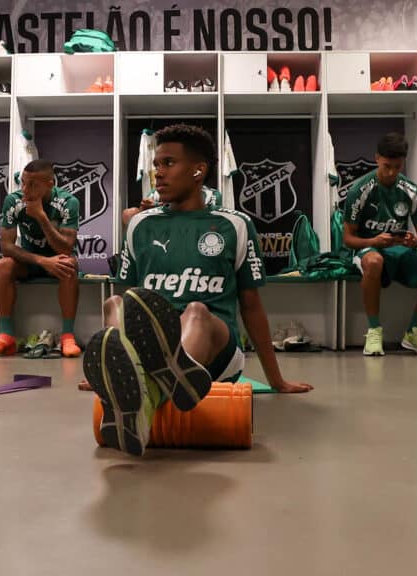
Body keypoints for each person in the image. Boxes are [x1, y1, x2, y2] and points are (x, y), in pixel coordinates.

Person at [82, 124, 312, 456]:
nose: (158, 173)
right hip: (151, 343)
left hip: (216, 349)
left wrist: (276, 379)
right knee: (115, 302)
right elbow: (131, 305)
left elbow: (251, 305)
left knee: (196, 312)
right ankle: (137, 383)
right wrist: (106, 368)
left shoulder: (234, 225)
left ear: (198, 171)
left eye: (169, 163)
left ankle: (141, 394)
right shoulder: (140, 225)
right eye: (156, 165)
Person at [342, 132, 417, 357]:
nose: (391, 172)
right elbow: (348, 239)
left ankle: (415, 331)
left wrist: (415, 241)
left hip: (401, 250)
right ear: (377, 158)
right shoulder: (359, 190)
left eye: (397, 167)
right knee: (374, 259)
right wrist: (374, 241)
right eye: (387, 165)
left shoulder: (412, 190)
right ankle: (373, 331)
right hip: (368, 249)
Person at [0, 159, 82, 358]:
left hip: (59, 260)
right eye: (23, 183)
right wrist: (42, 261)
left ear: (50, 184)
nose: (26, 189)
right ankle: (6, 336)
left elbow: (66, 247)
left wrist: (41, 217)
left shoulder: (68, 202)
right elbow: (6, 246)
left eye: (33, 184)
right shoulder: (14, 201)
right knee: (4, 264)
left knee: (69, 263)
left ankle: (68, 336)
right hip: (31, 263)